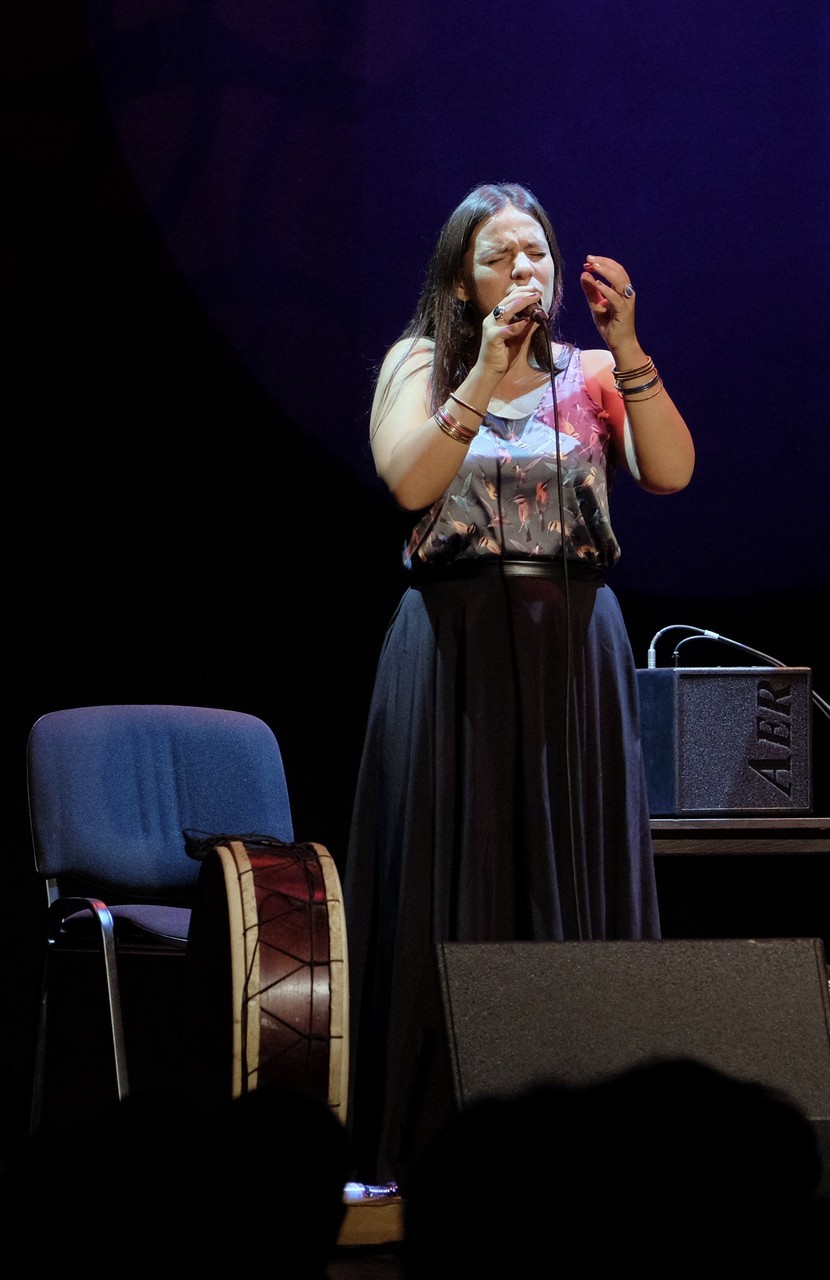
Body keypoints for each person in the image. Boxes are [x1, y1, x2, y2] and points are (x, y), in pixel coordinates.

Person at [345, 181, 695, 1183]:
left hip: (572, 646)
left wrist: (628, 345)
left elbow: (670, 470)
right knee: (452, 867)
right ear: (464, 280)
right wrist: (485, 372)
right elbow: (410, 481)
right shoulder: (420, 363)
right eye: (500, 256)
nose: (524, 269)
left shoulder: (592, 375)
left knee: (573, 868)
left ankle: (587, 1131)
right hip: (450, 641)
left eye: (536, 252)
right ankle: (432, 1133)